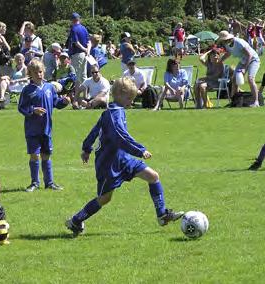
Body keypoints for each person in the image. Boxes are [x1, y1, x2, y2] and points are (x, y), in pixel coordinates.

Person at [65, 77, 184, 236]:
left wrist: (86, 148)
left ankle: (162, 215)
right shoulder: (114, 114)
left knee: (153, 176)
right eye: (129, 98)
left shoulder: (112, 111)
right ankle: (76, 220)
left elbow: (95, 131)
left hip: (124, 159)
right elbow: (120, 136)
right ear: (120, 95)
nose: (131, 102)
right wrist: (140, 150)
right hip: (109, 165)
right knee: (105, 198)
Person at [18, 59, 70, 192]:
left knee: (46, 155)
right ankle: (34, 183)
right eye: (35, 73)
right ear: (30, 74)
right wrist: (33, 110)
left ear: (44, 72)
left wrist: (64, 101)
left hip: (47, 129)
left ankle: (50, 183)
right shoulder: (27, 90)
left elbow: (56, 102)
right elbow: (21, 107)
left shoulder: (49, 87)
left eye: (40, 72)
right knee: (35, 155)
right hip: (32, 130)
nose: (39, 74)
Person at [219, 30, 261, 107]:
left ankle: (256, 102)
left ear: (228, 39)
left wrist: (244, 68)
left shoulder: (238, 42)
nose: (223, 42)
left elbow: (249, 55)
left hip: (253, 60)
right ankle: (234, 101)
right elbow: (228, 53)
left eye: (223, 40)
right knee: (234, 79)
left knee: (250, 79)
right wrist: (220, 60)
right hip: (243, 60)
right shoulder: (227, 44)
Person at [66, 13, 91, 108]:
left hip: (77, 54)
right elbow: (89, 41)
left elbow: (76, 42)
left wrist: (84, 49)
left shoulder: (73, 29)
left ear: (72, 20)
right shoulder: (84, 28)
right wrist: (87, 50)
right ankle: (85, 97)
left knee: (77, 77)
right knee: (83, 76)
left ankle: (77, 99)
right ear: (79, 19)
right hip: (84, 54)